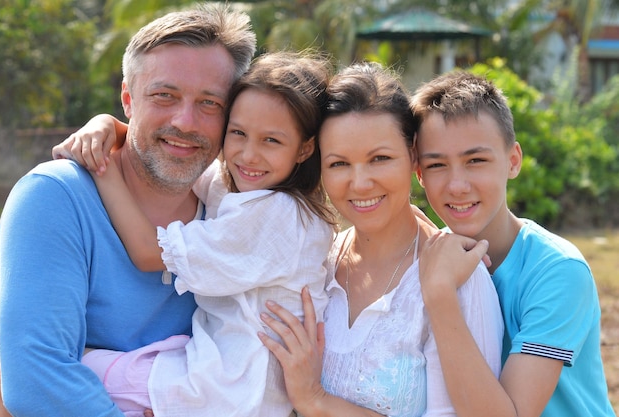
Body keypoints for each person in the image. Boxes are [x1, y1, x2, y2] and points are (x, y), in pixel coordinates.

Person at [0, 4, 256, 416]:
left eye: (210, 104)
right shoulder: (54, 198)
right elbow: (37, 381)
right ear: (128, 99)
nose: (185, 122)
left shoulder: (232, 214)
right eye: (164, 96)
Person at [57, 51, 336, 417]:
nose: (248, 155)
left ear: (305, 148)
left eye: (271, 141)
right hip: (216, 374)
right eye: (237, 133)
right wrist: (108, 126)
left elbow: (147, 252)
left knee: (57, 372)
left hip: (226, 390)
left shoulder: (282, 216)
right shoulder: (244, 186)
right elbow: (169, 152)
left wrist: (101, 166)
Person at [257, 62, 505, 416]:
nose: (359, 183)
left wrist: (316, 401)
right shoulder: (314, 264)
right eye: (339, 164)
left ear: (413, 157)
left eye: (380, 159)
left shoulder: (459, 278)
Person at [411, 71, 615, 417]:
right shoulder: (427, 256)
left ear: (513, 160)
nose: (457, 185)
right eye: (436, 165)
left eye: (475, 161)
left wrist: (440, 295)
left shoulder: (557, 271)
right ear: (419, 174)